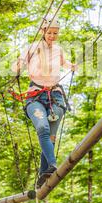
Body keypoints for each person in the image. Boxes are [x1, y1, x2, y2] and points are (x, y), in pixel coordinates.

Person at [12, 18, 77, 189]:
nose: (52, 36)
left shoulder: (58, 50)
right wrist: (18, 65)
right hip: (35, 96)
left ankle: (44, 173)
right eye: (49, 33)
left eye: (55, 33)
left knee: (51, 137)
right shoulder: (32, 48)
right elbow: (16, 66)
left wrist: (72, 66)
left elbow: (65, 63)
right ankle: (53, 165)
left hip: (55, 96)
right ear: (43, 31)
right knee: (42, 128)